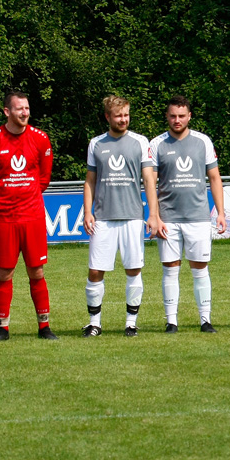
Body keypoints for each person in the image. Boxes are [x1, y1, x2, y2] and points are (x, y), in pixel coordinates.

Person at [0, 91, 57, 341]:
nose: (24, 113)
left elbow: (44, 178)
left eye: (27, 108)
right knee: (5, 273)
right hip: (4, 217)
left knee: (37, 272)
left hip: (32, 215)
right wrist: (4, 196)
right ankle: (3, 328)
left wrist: (26, 195)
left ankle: (44, 326)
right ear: (7, 112)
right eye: (19, 108)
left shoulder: (40, 138)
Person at [82, 95, 162, 337]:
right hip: (103, 218)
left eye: (126, 114)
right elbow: (90, 180)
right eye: (118, 116)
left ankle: (131, 323)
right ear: (108, 117)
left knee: (133, 269)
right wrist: (88, 212)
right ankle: (94, 322)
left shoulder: (140, 142)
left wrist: (153, 214)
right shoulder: (96, 143)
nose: (123, 119)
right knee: (95, 270)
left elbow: (149, 179)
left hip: (132, 216)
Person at [150, 95, 227, 333]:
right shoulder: (156, 144)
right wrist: (155, 215)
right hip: (168, 218)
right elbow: (150, 182)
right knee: (170, 269)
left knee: (200, 268)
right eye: (173, 116)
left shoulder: (203, 142)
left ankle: (205, 320)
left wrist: (221, 212)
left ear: (189, 116)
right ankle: (171, 321)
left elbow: (214, 178)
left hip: (198, 217)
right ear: (167, 116)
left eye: (181, 116)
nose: (177, 120)